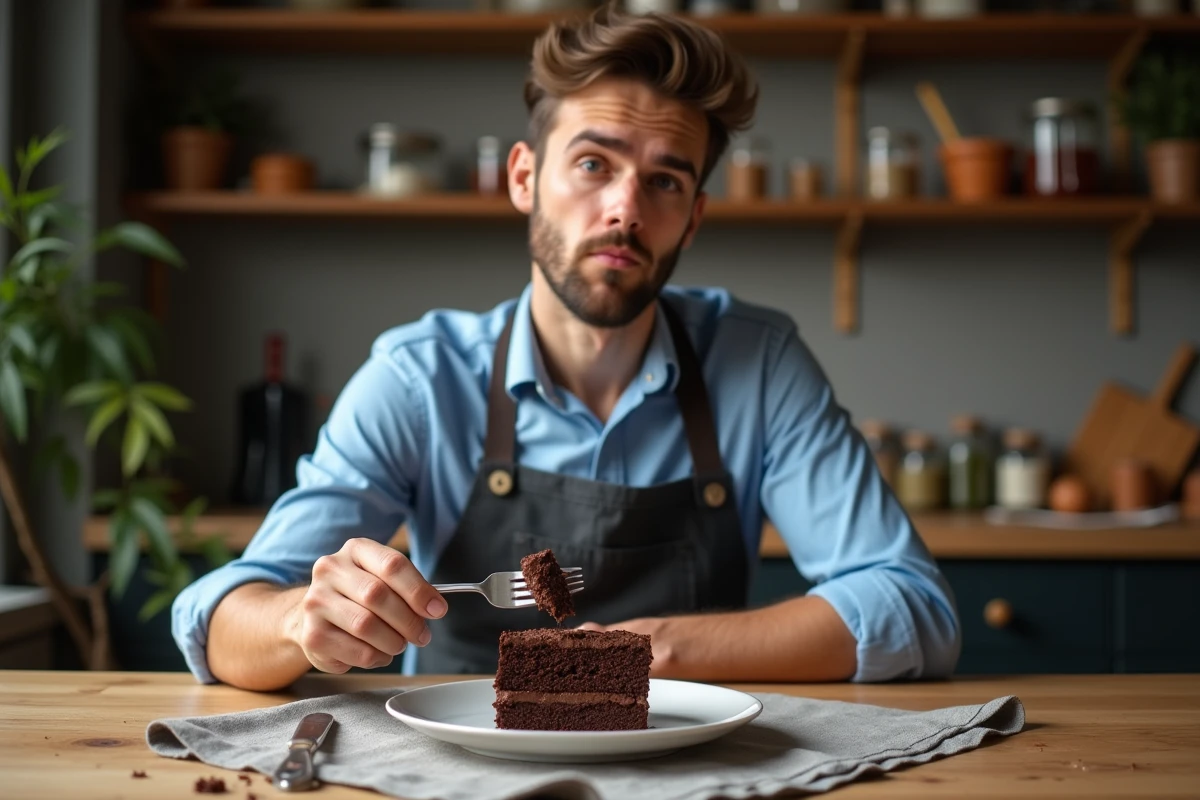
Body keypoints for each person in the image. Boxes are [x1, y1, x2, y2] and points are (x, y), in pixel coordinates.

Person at [172, 4, 960, 692]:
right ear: (524, 177)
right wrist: (301, 623)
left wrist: (659, 650)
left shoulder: (758, 366)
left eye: (665, 181)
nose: (624, 209)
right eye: (594, 164)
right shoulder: (420, 377)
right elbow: (217, 621)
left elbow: (913, 607)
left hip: (693, 772)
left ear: (694, 217)